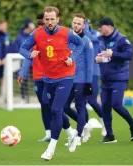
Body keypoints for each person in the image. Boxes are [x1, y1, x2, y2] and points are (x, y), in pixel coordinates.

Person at [20, 6, 84, 160]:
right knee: (48, 106)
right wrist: (30, 54)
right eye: (47, 19)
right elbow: (22, 48)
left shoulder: (66, 32)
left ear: (58, 19)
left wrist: (72, 58)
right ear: (44, 19)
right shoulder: (37, 33)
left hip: (66, 76)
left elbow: (80, 44)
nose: (49, 22)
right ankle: (71, 134)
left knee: (56, 110)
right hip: (48, 78)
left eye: (52, 19)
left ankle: (51, 149)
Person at [95, 17, 133, 143]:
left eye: (101, 26)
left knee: (116, 104)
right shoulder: (99, 40)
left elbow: (129, 55)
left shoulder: (121, 39)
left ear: (109, 26)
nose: (99, 29)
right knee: (105, 107)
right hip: (105, 78)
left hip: (119, 78)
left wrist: (113, 54)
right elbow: (98, 56)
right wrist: (97, 59)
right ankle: (110, 135)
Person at [17, 13, 51, 142]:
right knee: (44, 105)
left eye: (44, 23)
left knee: (53, 105)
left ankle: (69, 131)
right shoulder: (35, 36)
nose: (42, 26)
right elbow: (28, 56)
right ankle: (48, 133)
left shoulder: (58, 35)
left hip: (53, 76)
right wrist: (22, 74)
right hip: (38, 77)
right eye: (40, 24)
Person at [63, 13, 94, 150]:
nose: (76, 25)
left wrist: (88, 83)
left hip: (81, 80)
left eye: (79, 23)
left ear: (83, 25)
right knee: (64, 107)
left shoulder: (87, 41)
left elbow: (90, 64)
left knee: (80, 107)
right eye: (74, 22)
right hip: (67, 78)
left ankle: (78, 136)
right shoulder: (66, 38)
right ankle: (85, 125)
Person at [83, 19, 106, 138]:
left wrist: (85, 28)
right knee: (81, 102)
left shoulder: (95, 36)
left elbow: (89, 37)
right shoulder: (77, 36)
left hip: (94, 73)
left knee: (92, 101)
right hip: (80, 74)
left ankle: (104, 121)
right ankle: (85, 127)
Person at [10, 19, 35, 104]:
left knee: (37, 80)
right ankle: (23, 98)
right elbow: (17, 49)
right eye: (30, 28)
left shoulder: (33, 36)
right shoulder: (19, 37)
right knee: (23, 80)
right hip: (23, 63)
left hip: (34, 63)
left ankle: (39, 98)